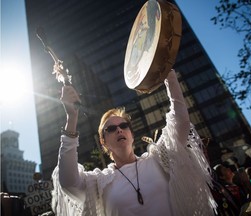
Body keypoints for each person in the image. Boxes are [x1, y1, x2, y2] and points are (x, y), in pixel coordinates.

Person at [51, 69, 216, 216]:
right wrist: (71, 118)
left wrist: (169, 76)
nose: (119, 130)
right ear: (103, 142)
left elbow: (180, 122)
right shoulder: (99, 183)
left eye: (123, 125)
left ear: (131, 134)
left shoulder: (158, 159)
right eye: (111, 129)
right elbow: (68, 182)